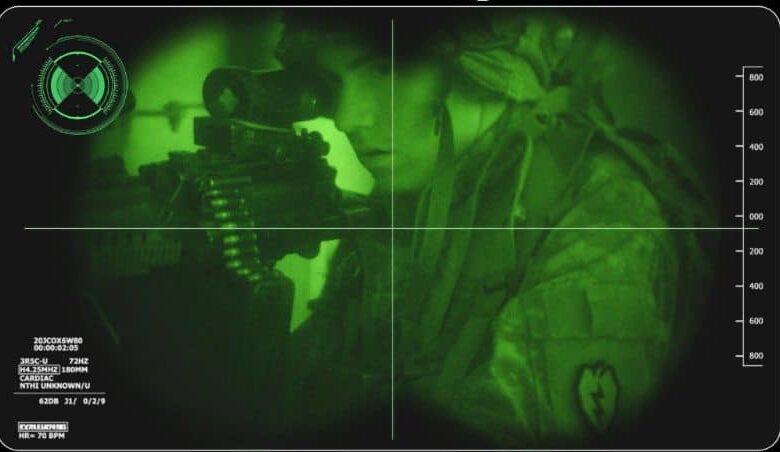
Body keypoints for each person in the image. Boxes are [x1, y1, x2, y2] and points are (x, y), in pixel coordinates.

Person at [277, 10, 715, 446]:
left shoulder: (602, 211)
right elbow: (318, 378)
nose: (347, 118)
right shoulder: (412, 199)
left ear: (483, 74)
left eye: (385, 70)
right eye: (335, 82)